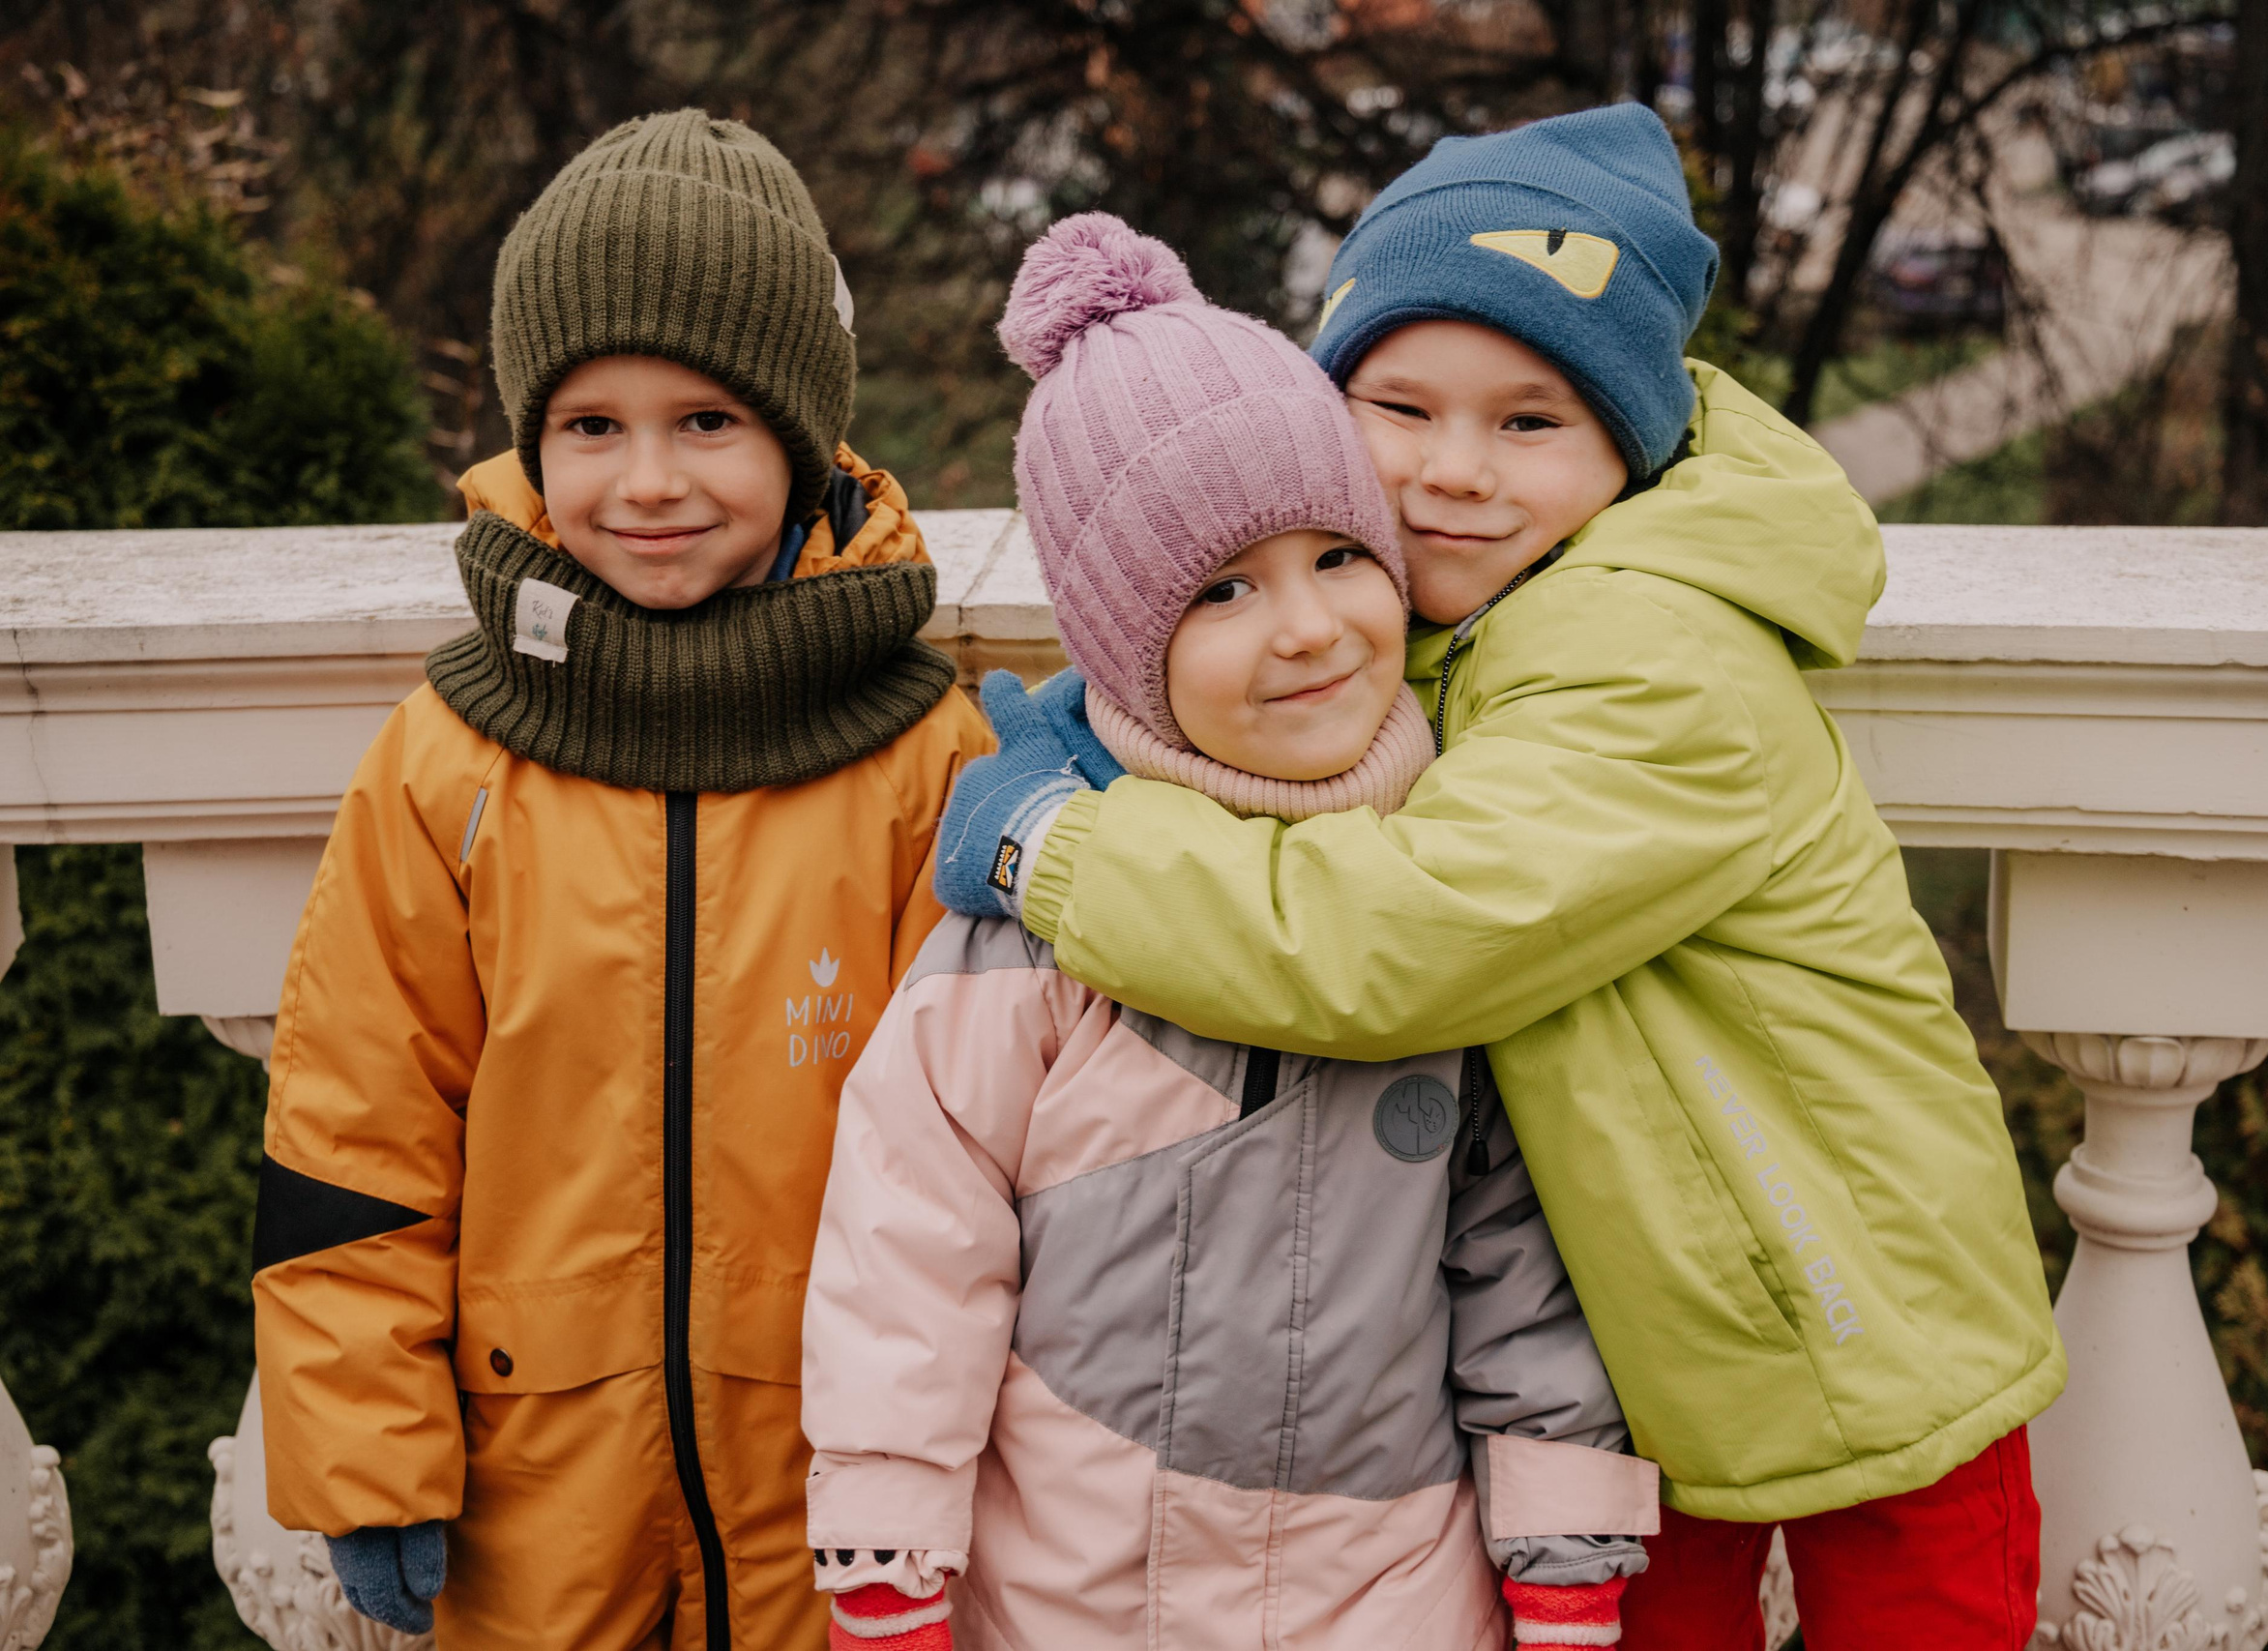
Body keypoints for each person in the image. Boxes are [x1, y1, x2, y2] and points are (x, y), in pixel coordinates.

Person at [936, 107, 2060, 1649]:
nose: (1453, 473)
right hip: (1640, 1349)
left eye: (1531, 422)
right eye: (1400, 406)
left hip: (1854, 1306)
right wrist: (1114, 722)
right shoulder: (1446, 621)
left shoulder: (1650, 657)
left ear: (1630, 445)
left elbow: (1391, 941)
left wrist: (1060, 843)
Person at [800, 214, 1663, 1651]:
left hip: (1388, 1592)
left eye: (1341, 556)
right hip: (1074, 1592)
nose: (1309, 628)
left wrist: (1563, 1543)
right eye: (1222, 590)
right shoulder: (1035, 933)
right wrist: (891, 1552)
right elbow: (912, 1242)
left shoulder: (1446, 887)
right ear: (1125, 645)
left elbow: (1524, 1247)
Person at [251, 109, 992, 1651]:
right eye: (592, 426)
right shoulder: (449, 756)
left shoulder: (920, 756)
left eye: (706, 419)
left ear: (800, 431)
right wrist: (371, 1447)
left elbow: (997, 1152)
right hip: (534, 1494)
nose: (648, 480)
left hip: (842, 1493)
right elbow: (356, 1124)